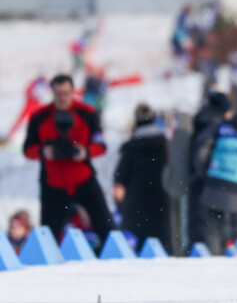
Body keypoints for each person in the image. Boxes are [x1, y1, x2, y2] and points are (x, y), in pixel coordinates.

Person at [23, 74, 114, 247]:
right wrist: (44, 151)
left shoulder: (87, 113)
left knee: (106, 227)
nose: (62, 98)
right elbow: (27, 150)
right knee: (49, 236)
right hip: (53, 184)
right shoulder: (39, 117)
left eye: (66, 93)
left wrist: (85, 151)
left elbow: (101, 145)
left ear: (73, 92)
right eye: (58, 94)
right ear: (52, 93)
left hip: (84, 180)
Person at [193, 105, 237, 255]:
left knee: (213, 230)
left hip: (215, 185)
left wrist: (206, 175)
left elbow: (201, 151)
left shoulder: (221, 128)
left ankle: (214, 263)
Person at [113, 103, 172, 252]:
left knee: (137, 251)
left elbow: (119, 180)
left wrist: (120, 206)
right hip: (161, 204)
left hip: (135, 206)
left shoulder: (130, 148)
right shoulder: (165, 146)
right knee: (163, 249)